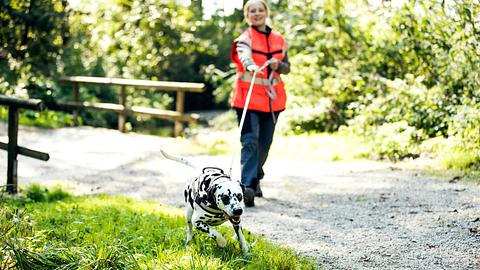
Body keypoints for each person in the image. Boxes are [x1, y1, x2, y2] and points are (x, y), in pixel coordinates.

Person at [230, 0, 290, 207]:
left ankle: (255, 177)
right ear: (247, 16)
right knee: (250, 141)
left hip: (272, 102)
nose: (256, 14)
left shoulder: (279, 40)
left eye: (260, 10)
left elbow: (287, 67)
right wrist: (251, 65)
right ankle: (247, 186)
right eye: (252, 11)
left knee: (265, 144)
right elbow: (244, 56)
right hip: (247, 98)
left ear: (266, 13)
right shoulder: (244, 39)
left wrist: (278, 64)